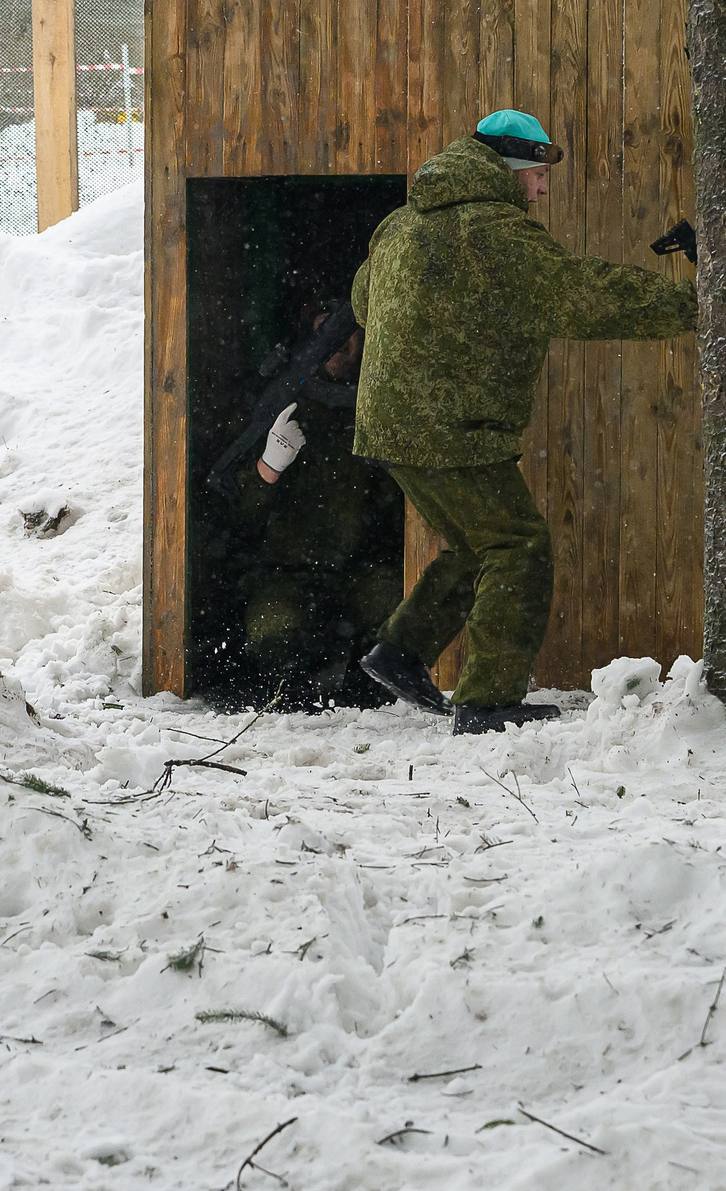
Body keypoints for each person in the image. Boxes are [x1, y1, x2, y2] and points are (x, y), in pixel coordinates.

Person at [348, 109, 700, 734]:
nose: (541, 189)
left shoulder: (399, 225)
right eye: (538, 175)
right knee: (520, 548)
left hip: (389, 423)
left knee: (479, 542)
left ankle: (400, 653)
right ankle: (487, 701)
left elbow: (362, 300)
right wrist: (694, 305)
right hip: (450, 423)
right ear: (511, 167)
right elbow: (582, 295)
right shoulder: (494, 233)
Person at [221, 307, 397, 708]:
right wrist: (267, 468)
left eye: (348, 334)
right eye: (326, 333)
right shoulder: (280, 404)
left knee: (394, 614)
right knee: (273, 633)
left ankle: (367, 692)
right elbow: (238, 515)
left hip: (360, 570)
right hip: (288, 573)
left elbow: (396, 509)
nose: (338, 345)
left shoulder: (377, 402)